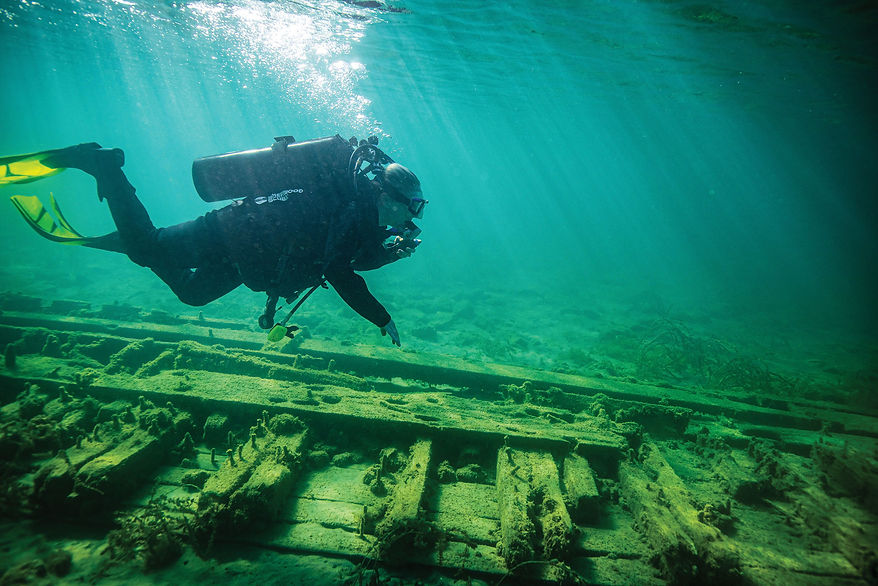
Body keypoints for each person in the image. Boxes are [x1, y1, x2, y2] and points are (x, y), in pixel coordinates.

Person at [0, 135, 426, 346]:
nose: (413, 217)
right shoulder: (352, 211)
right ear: (388, 198)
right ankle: (104, 166)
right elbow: (340, 270)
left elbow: (347, 259)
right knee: (149, 247)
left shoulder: (362, 217)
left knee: (192, 294)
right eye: (413, 207)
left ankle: (137, 242)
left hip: (247, 260)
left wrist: (389, 256)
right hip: (229, 233)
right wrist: (380, 315)